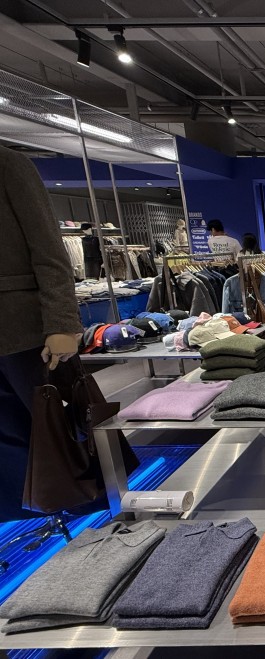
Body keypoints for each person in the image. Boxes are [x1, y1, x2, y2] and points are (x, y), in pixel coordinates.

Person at [0, 145, 83, 521]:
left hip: (24, 330)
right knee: (6, 436)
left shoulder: (8, 164)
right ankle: (22, 516)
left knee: (55, 426)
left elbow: (49, 250)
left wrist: (61, 322)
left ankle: (83, 508)